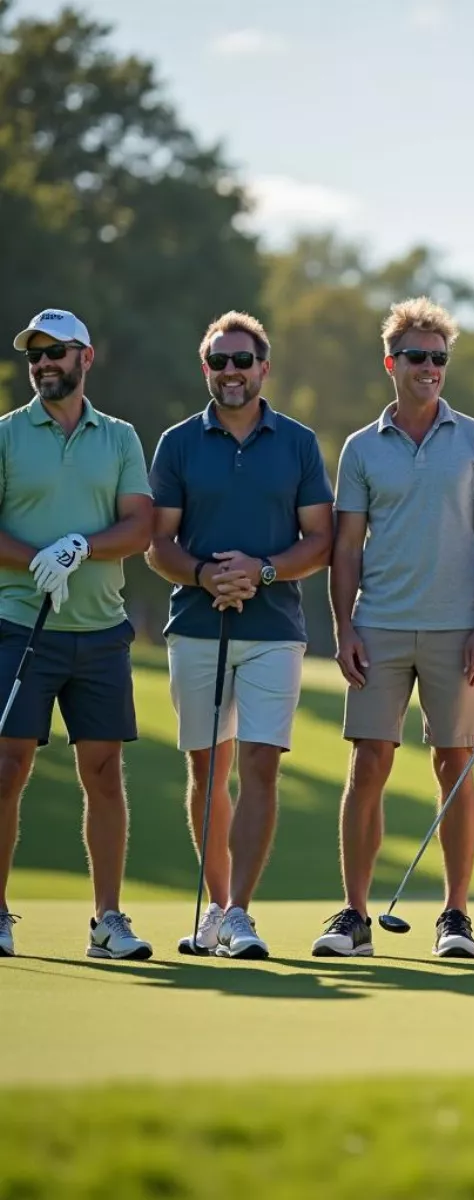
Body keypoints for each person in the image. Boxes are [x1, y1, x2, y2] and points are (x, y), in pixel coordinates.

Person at [312, 297, 474, 960]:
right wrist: (344, 628)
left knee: (454, 765)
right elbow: (345, 548)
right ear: (391, 362)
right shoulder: (363, 447)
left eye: (440, 358)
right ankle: (354, 916)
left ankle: (456, 916)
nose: (430, 368)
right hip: (381, 625)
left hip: (458, 631)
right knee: (368, 763)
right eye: (418, 357)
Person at [147, 310, 333, 960]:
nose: (231, 372)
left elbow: (321, 540)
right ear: (207, 369)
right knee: (207, 766)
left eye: (242, 361)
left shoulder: (299, 443)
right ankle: (217, 908)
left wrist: (265, 571)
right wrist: (205, 576)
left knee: (260, 765)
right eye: (219, 362)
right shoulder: (177, 443)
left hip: (275, 629)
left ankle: (239, 914)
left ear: (264, 368)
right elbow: (158, 543)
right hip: (197, 626)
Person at [0, 307, 154, 960]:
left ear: (86, 358)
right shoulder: (6, 435)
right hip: (16, 625)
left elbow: (140, 527)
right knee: (7, 768)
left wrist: (77, 547)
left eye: (57, 352)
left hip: (98, 631)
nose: (44, 364)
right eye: (35, 354)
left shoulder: (118, 438)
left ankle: (107, 920)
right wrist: (36, 557)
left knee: (104, 772)